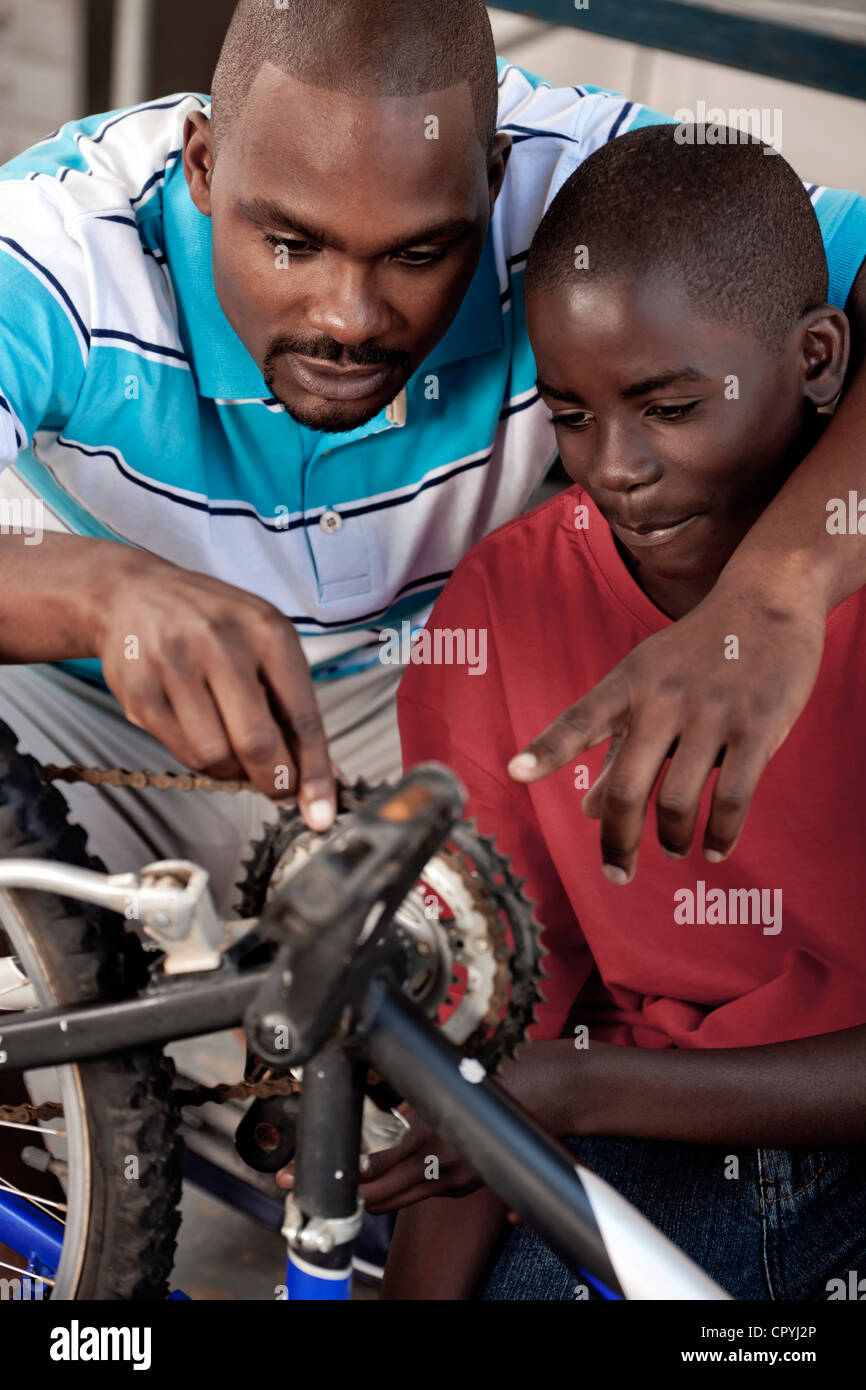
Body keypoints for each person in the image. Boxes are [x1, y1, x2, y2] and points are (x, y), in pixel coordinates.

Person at [0, 0, 865, 908]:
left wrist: (777, 597)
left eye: (418, 254)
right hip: (76, 714)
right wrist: (104, 597)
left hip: (421, 704)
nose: (350, 319)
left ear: (494, 181)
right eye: (291, 245)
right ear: (204, 165)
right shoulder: (63, 240)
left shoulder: (575, 176)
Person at [365, 127, 866, 1301]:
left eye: (668, 405)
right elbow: (498, 1034)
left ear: (815, 356)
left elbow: (548, 1081)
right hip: (650, 1149)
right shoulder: (502, 607)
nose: (616, 467)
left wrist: (578, 1090)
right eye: (572, 415)